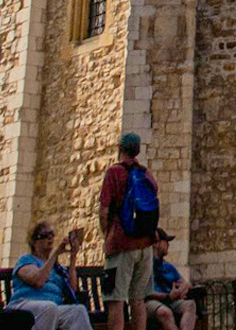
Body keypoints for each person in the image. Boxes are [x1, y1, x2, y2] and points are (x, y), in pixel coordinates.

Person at [99, 133, 159, 330]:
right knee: (138, 300)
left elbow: (104, 210)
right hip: (145, 245)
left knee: (116, 300)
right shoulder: (146, 173)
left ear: (120, 149)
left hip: (121, 244)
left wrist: (107, 234)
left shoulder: (114, 173)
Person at [11, 223, 91, 330]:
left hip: (53, 309)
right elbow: (38, 281)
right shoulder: (26, 260)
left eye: (52, 234)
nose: (50, 238)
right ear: (34, 242)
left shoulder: (57, 268)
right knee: (49, 308)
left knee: (78, 311)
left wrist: (73, 257)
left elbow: (72, 289)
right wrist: (56, 254)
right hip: (25, 305)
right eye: (45, 235)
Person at [147, 232, 197, 330]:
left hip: (171, 299)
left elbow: (185, 283)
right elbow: (145, 293)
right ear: (156, 243)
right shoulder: (146, 266)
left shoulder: (167, 266)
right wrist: (168, 296)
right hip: (152, 301)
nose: (168, 245)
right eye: (166, 242)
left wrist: (182, 289)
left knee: (190, 305)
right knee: (165, 312)